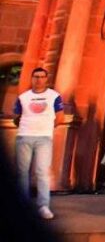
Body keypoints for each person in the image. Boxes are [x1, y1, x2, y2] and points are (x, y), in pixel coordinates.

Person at [13, 67, 63, 220]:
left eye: (42, 77)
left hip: (44, 138)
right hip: (24, 137)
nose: (39, 79)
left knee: (42, 172)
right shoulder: (23, 97)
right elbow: (16, 117)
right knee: (22, 172)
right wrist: (27, 126)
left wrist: (45, 127)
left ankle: (43, 206)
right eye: (36, 76)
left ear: (46, 79)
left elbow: (60, 117)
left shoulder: (54, 96)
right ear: (32, 78)